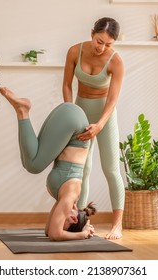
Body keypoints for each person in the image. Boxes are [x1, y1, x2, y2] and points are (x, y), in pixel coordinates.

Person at [0, 86, 96, 241]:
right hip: (74, 122)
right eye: (63, 223)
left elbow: (48, 230)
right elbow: (55, 234)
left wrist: (84, 226)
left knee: (28, 163)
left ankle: (22, 111)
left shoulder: (64, 199)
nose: (59, 220)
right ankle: (22, 111)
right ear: (73, 219)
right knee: (34, 165)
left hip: (69, 116)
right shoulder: (70, 196)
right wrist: (83, 234)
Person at [62, 17, 125, 239]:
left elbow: (113, 100)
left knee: (111, 168)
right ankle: (80, 221)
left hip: (104, 116)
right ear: (92, 34)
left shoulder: (116, 62)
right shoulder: (74, 52)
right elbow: (67, 85)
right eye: (100, 41)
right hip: (80, 111)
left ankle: (117, 225)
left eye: (108, 44)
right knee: (83, 170)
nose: (102, 48)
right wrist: (70, 112)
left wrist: (99, 125)